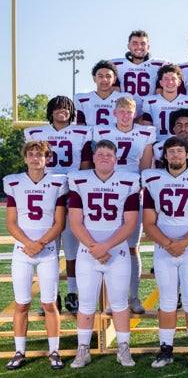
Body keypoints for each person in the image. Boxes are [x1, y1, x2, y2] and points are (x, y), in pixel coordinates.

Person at [142, 136, 188, 369]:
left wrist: (182, 243)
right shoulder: (153, 179)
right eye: (171, 151)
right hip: (165, 249)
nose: (175, 155)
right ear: (164, 155)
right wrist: (168, 243)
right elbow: (149, 222)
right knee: (168, 300)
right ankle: (166, 349)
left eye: (179, 151)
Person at [67, 140, 140, 368]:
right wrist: (94, 247)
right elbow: (75, 221)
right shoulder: (80, 180)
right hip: (88, 251)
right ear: (94, 158)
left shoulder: (128, 181)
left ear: (116, 159)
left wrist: (105, 246)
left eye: (109, 154)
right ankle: (83, 350)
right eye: (100, 154)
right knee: (86, 304)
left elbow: (130, 223)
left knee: (119, 303)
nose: (105, 157)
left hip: (116, 250)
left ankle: (123, 349)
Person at [4, 141, 69, 370]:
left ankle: (54, 351)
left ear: (47, 158)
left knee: (49, 303)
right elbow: (11, 223)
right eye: (30, 155)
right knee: (21, 304)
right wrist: (29, 244)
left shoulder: (57, 182)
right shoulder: (14, 183)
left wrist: (39, 243)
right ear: (24, 159)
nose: (34, 158)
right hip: (23, 251)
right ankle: (19, 351)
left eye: (39, 155)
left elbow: (59, 223)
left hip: (47, 250)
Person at [24, 96, 92, 315]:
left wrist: (77, 187)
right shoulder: (37, 133)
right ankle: (51, 297)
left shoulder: (81, 132)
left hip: (71, 193)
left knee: (72, 251)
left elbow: (84, 164)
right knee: (49, 250)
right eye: (57, 108)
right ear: (50, 111)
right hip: (47, 194)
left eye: (66, 108)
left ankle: (72, 294)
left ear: (71, 111)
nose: (62, 111)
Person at [93, 96, 156, 314]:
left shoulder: (145, 133)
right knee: (108, 245)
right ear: (114, 113)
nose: (125, 115)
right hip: (107, 192)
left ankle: (133, 297)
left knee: (131, 247)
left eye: (129, 112)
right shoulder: (102, 132)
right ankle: (113, 300)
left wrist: (137, 190)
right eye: (121, 111)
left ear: (135, 113)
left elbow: (145, 168)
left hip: (131, 192)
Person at [110, 30, 170, 115]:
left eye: (143, 43)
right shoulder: (116, 64)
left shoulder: (160, 64)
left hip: (149, 113)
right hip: (125, 113)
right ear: (128, 46)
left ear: (148, 47)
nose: (139, 47)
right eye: (134, 43)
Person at [140, 64, 188, 141]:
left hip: (182, 146)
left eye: (173, 78)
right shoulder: (150, 101)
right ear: (161, 83)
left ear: (179, 82)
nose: (170, 82)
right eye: (166, 79)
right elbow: (147, 129)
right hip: (158, 144)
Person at [74, 60, 125, 126]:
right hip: (91, 136)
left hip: (113, 136)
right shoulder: (82, 99)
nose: (104, 80)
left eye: (108, 76)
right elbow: (81, 126)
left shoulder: (123, 99)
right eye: (100, 76)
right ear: (94, 78)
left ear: (114, 79)